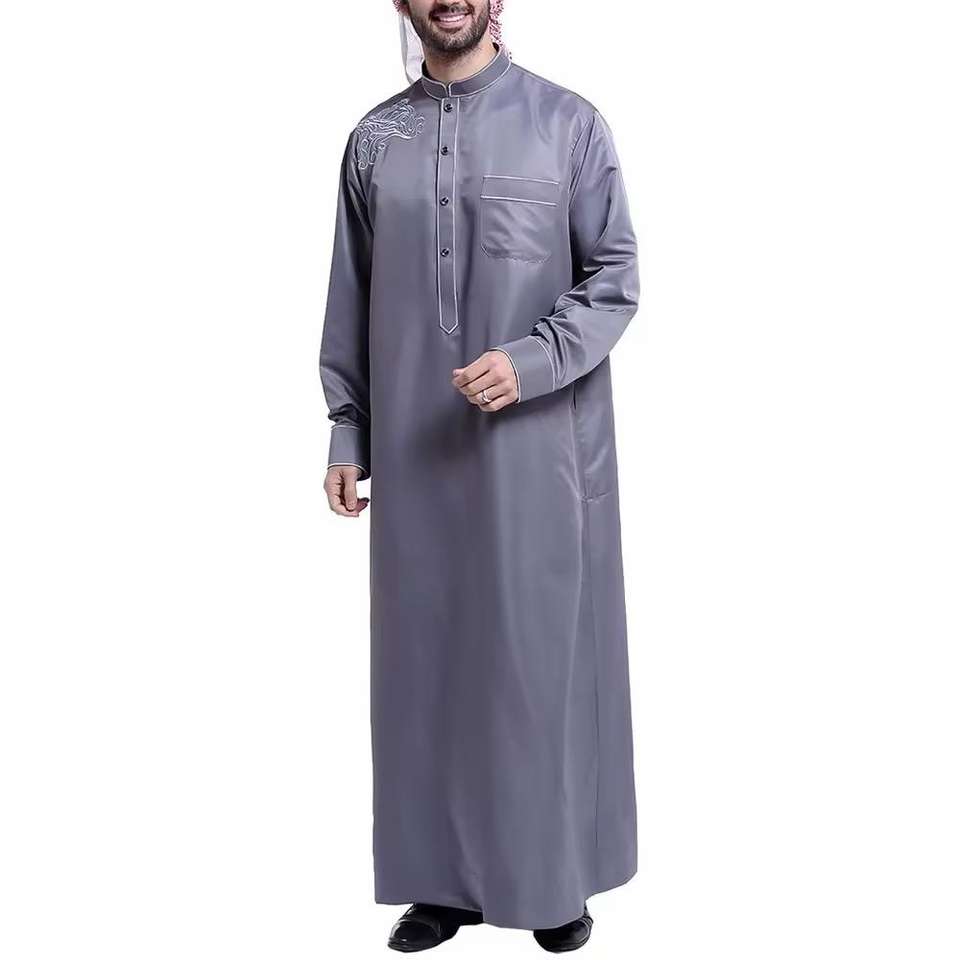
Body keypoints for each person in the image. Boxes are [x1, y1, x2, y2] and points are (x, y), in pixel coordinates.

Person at [319, 1, 640, 951]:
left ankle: (553, 881)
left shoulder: (567, 125)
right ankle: (440, 885)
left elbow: (614, 277)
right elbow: (350, 291)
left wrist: (532, 360)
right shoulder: (374, 141)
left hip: (538, 456)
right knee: (424, 670)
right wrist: (348, 430)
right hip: (416, 454)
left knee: (537, 671)